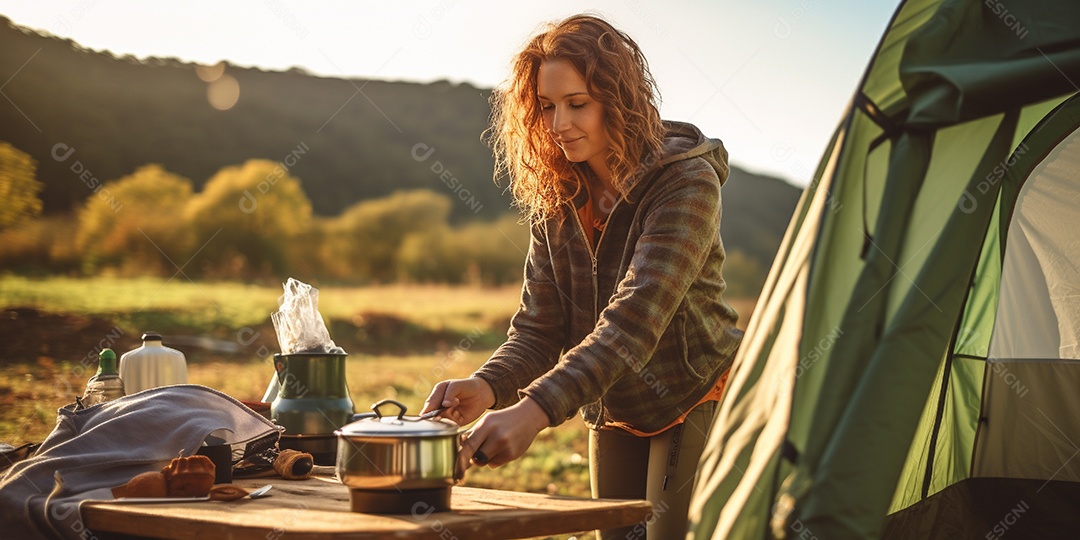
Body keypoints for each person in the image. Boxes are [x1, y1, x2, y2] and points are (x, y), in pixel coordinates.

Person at [422, 14, 742, 539]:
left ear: (619, 102)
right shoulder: (558, 194)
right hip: (614, 404)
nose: (558, 124)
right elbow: (539, 328)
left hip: (692, 394)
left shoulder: (687, 182)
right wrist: (486, 386)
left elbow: (634, 322)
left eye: (578, 104)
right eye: (547, 107)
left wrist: (532, 412)